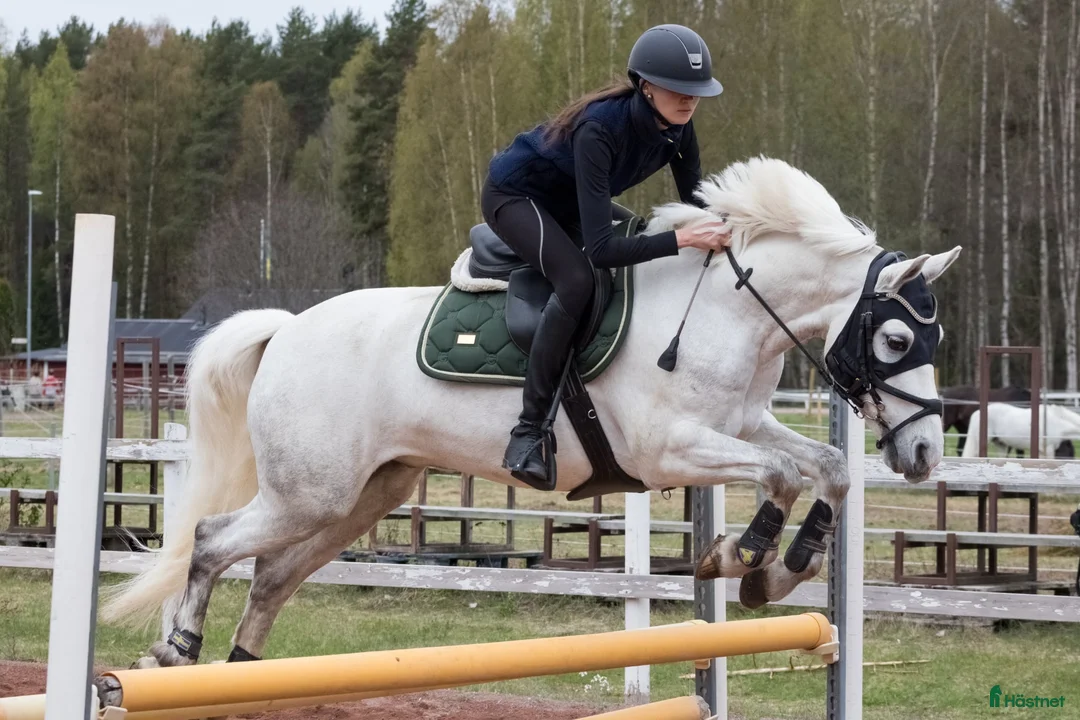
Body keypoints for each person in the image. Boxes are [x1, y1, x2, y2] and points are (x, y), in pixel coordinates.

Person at [482, 23, 732, 491]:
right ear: (646, 87)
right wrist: (684, 240)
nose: (690, 101)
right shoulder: (599, 129)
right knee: (577, 280)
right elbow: (601, 251)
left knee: (642, 231)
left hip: (570, 201)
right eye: (679, 90)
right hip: (515, 197)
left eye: (696, 92)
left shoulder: (678, 127)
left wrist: (733, 227)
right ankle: (528, 431)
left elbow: (696, 201)